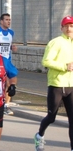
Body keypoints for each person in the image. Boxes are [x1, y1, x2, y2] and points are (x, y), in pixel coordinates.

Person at [34, 16, 73, 151]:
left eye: (71, 26)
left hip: (71, 86)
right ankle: (39, 136)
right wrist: (64, 66)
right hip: (57, 85)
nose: (69, 29)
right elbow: (46, 61)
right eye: (66, 26)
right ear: (61, 28)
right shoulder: (55, 42)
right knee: (51, 117)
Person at [0, 13, 18, 115]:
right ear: (1, 21)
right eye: (6, 20)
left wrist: (12, 48)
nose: (8, 21)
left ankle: (6, 105)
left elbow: (7, 45)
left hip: (7, 62)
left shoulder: (11, 32)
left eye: (9, 20)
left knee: (10, 83)